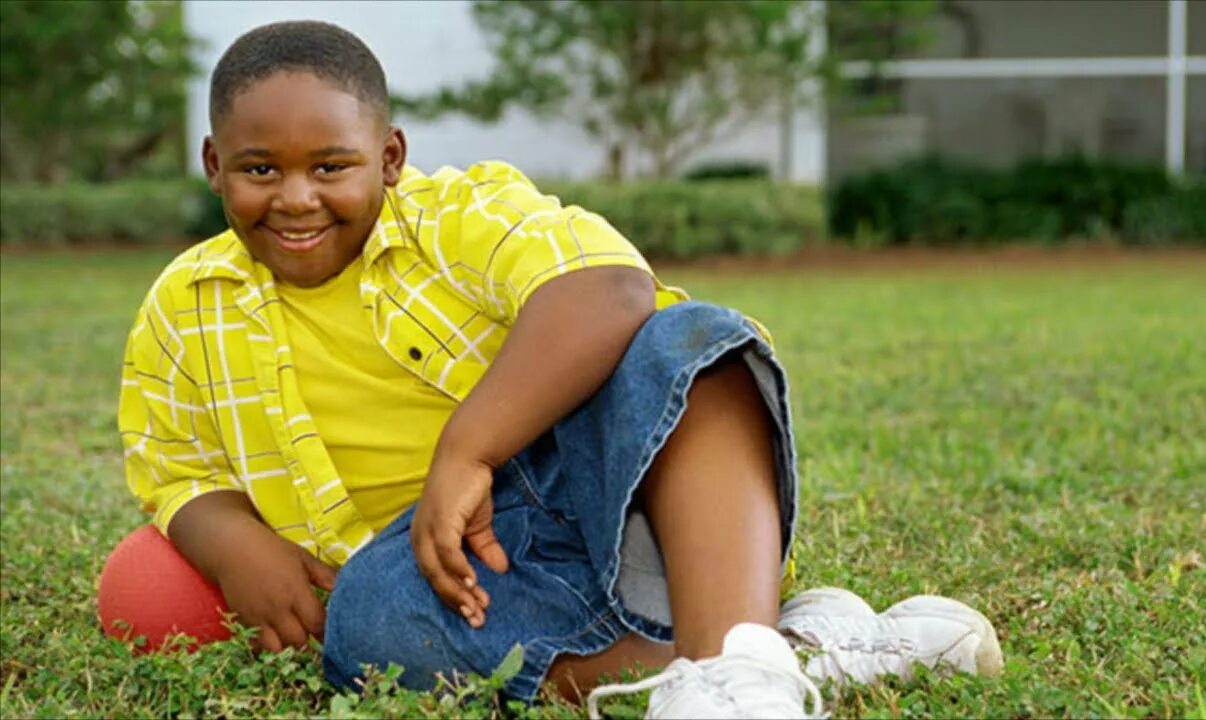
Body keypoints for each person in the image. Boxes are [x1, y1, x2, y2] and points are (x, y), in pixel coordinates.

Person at [101, 20, 1003, 718]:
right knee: (365, 627)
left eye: (330, 166)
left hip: (612, 497)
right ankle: (771, 664)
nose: (296, 197)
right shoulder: (186, 307)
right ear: (215, 166)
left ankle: (731, 647)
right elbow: (176, 462)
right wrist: (231, 541)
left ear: (390, 158)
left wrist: (469, 449)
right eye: (261, 168)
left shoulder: (460, 216)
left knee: (688, 340)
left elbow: (608, 291)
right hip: (460, 573)